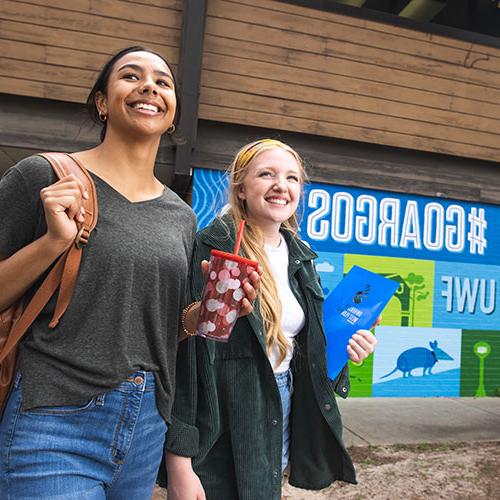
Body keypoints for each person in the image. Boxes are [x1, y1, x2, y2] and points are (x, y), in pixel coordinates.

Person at [0, 46, 258, 500]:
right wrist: (53, 242)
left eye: (163, 81)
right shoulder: (45, 174)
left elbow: (156, 330)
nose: (149, 87)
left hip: (144, 427)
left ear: (172, 112)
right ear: (102, 102)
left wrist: (196, 319)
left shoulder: (181, 216)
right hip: (53, 418)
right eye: (131, 76)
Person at [164, 138, 378, 500]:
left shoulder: (301, 256)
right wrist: (179, 461)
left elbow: (306, 347)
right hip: (222, 417)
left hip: (282, 401)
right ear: (241, 188)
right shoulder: (211, 248)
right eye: (267, 174)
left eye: (292, 178)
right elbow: (186, 361)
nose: (282, 186)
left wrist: (347, 349)